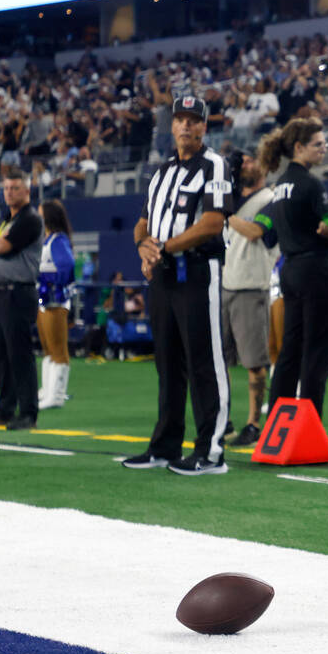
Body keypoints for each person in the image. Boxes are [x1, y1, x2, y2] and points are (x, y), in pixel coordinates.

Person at [124, 95, 233, 476]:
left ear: (205, 127)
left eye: (194, 120)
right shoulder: (161, 172)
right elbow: (143, 221)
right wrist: (144, 246)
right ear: (171, 125)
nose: (186, 126)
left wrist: (164, 247)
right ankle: (166, 446)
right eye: (180, 119)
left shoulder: (215, 165)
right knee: (168, 364)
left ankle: (211, 451)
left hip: (198, 272)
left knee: (204, 361)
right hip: (164, 276)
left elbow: (212, 223)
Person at [254, 118, 328, 419]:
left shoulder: (280, 185)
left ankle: (277, 428)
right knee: (317, 353)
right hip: (315, 272)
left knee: (289, 352)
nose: (324, 149)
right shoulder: (310, 183)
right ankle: (310, 430)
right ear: (299, 148)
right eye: (318, 144)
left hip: (290, 270)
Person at [220, 150, 277, 447]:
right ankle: (223, 419)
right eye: (243, 162)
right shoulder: (232, 200)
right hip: (225, 284)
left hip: (251, 286)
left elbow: (256, 231)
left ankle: (254, 423)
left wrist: (225, 214)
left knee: (255, 362)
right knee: (221, 361)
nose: (246, 165)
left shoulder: (271, 198)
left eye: (253, 160)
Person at [0, 166, 42, 430]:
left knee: (20, 354)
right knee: (0, 353)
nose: (9, 193)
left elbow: (0, 247)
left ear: (27, 190)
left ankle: (28, 412)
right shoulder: (4, 222)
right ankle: (6, 407)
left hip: (18, 293)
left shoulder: (30, 219)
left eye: (15, 188)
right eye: (7, 188)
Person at [36, 200, 75, 410]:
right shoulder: (47, 239)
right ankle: (47, 390)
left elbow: (67, 265)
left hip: (55, 300)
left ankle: (57, 395)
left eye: (40, 215)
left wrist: (48, 280)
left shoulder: (58, 240)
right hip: (44, 300)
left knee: (57, 348)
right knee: (47, 347)